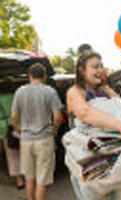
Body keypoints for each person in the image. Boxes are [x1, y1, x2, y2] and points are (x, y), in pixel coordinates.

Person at [66, 50, 121, 200]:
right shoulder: (75, 92)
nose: (100, 70)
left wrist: (106, 87)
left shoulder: (103, 91)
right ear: (82, 70)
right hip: (87, 161)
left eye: (101, 66)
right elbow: (86, 112)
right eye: (95, 67)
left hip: (110, 161)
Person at [11, 63, 62, 200]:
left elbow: (14, 116)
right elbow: (58, 117)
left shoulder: (20, 91)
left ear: (29, 76)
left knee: (29, 179)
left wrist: (18, 130)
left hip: (26, 139)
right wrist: (54, 131)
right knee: (42, 181)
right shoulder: (50, 91)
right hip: (44, 139)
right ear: (44, 76)